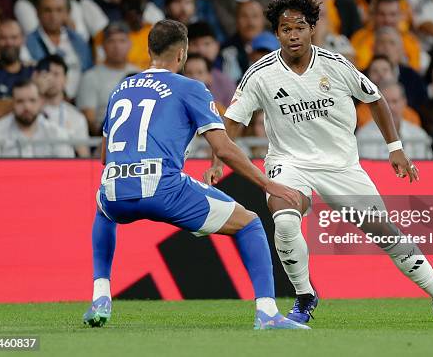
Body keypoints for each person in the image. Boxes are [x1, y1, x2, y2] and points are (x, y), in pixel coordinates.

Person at [207, 0, 433, 324]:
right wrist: (217, 161)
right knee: (283, 220)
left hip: (340, 165)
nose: (293, 34)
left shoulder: (336, 65)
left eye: (299, 27)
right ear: (278, 33)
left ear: (312, 28)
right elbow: (234, 120)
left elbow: (376, 98)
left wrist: (395, 148)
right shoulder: (261, 73)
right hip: (289, 162)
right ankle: (304, 295)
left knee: (386, 233)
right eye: (285, 29)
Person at [82, 19, 308, 330]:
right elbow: (224, 148)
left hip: (116, 187)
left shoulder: (121, 87)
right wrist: (268, 183)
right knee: (250, 223)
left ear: (149, 50)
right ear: (182, 55)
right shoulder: (190, 88)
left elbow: (106, 155)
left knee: (102, 205)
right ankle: (267, 313)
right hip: (164, 189)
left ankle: (100, 296)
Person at [0, 79, 74, 158]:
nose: (26, 107)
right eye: (20, 101)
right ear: (12, 103)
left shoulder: (57, 134)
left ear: (40, 102)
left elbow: (66, 174)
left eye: (32, 100)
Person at [25, 0, 93, 99]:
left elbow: (89, 73)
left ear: (67, 13)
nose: (53, 16)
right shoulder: (27, 43)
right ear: (37, 13)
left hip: (80, 102)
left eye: (59, 10)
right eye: (48, 10)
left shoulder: (78, 40)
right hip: (45, 102)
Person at [76, 22, 138, 136]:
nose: (117, 46)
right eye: (111, 41)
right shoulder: (90, 77)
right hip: (105, 139)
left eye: (122, 41)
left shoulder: (140, 74)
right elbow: (90, 123)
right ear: (103, 46)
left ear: (130, 44)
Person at [356, 80, 432, 159]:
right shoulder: (364, 135)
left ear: (404, 102)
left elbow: (428, 167)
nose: (390, 107)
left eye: (395, 101)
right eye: (386, 102)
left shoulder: (418, 135)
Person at [33, 55, 90, 157]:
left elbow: (84, 157)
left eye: (56, 74)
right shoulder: (27, 110)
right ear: (36, 77)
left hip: (65, 169)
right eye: (46, 74)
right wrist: (37, 92)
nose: (50, 79)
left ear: (66, 79)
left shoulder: (77, 117)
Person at [350, 0, 422, 72]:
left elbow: (414, 72)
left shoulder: (411, 41)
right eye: (382, 14)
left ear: (400, 16)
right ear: (374, 15)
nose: (387, 20)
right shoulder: (359, 37)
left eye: (392, 14)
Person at [187, 22, 236, 107]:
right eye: (195, 44)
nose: (201, 50)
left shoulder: (225, 83)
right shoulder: (173, 78)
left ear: (217, 46)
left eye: (206, 43)